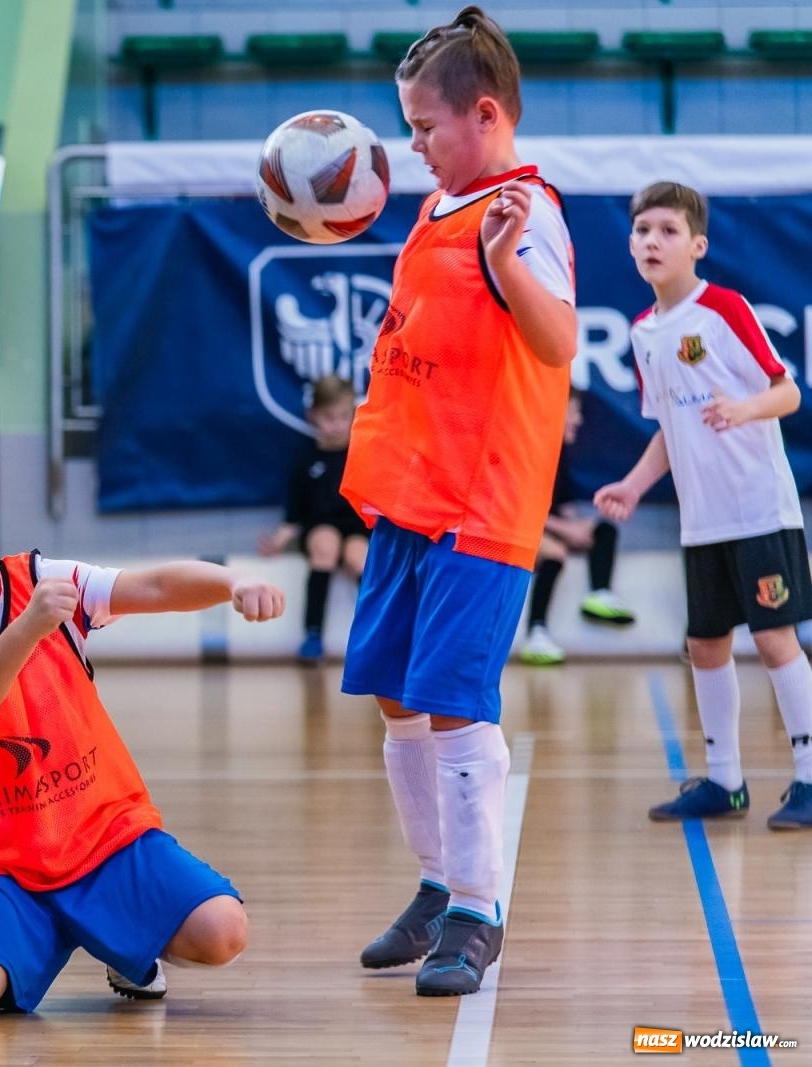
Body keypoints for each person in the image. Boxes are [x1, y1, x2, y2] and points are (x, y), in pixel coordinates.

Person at [0, 456, 283, 1017]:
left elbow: (151, 586)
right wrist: (29, 626)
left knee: (222, 931)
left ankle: (123, 944)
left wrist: (232, 582)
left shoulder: (39, 577)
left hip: (105, 837)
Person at [336, 7, 579, 996]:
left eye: (426, 129)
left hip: (480, 500)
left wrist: (508, 264)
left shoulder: (527, 210)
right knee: (396, 696)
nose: (415, 148)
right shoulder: (435, 208)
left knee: (449, 702)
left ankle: (478, 905)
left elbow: (558, 341)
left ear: (484, 115)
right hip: (407, 492)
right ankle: (436, 883)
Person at [594, 181, 812, 830]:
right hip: (702, 519)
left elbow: (788, 392)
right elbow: (668, 427)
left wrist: (744, 408)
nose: (651, 241)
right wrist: (633, 484)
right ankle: (724, 781)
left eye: (666, 229)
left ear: (697, 244)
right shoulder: (643, 332)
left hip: (759, 510)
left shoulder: (723, 309)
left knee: (774, 639)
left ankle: (808, 775)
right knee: (706, 643)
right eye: (642, 230)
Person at [519, 389, 637, 666]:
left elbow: (565, 506)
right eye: (573, 413)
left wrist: (578, 526)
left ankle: (600, 594)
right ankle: (536, 633)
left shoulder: (559, 456)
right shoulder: (532, 452)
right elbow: (524, 512)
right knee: (555, 553)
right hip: (518, 528)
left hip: (547, 527)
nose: (578, 420)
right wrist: (567, 530)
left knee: (602, 529)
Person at [257, 375, 368, 663]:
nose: (337, 424)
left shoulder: (362, 454)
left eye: (344, 416)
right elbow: (293, 515)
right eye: (329, 416)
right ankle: (313, 634)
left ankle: (376, 635)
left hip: (357, 527)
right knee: (325, 545)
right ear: (313, 416)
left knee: (360, 558)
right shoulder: (305, 459)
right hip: (320, 526)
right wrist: (277, 541)